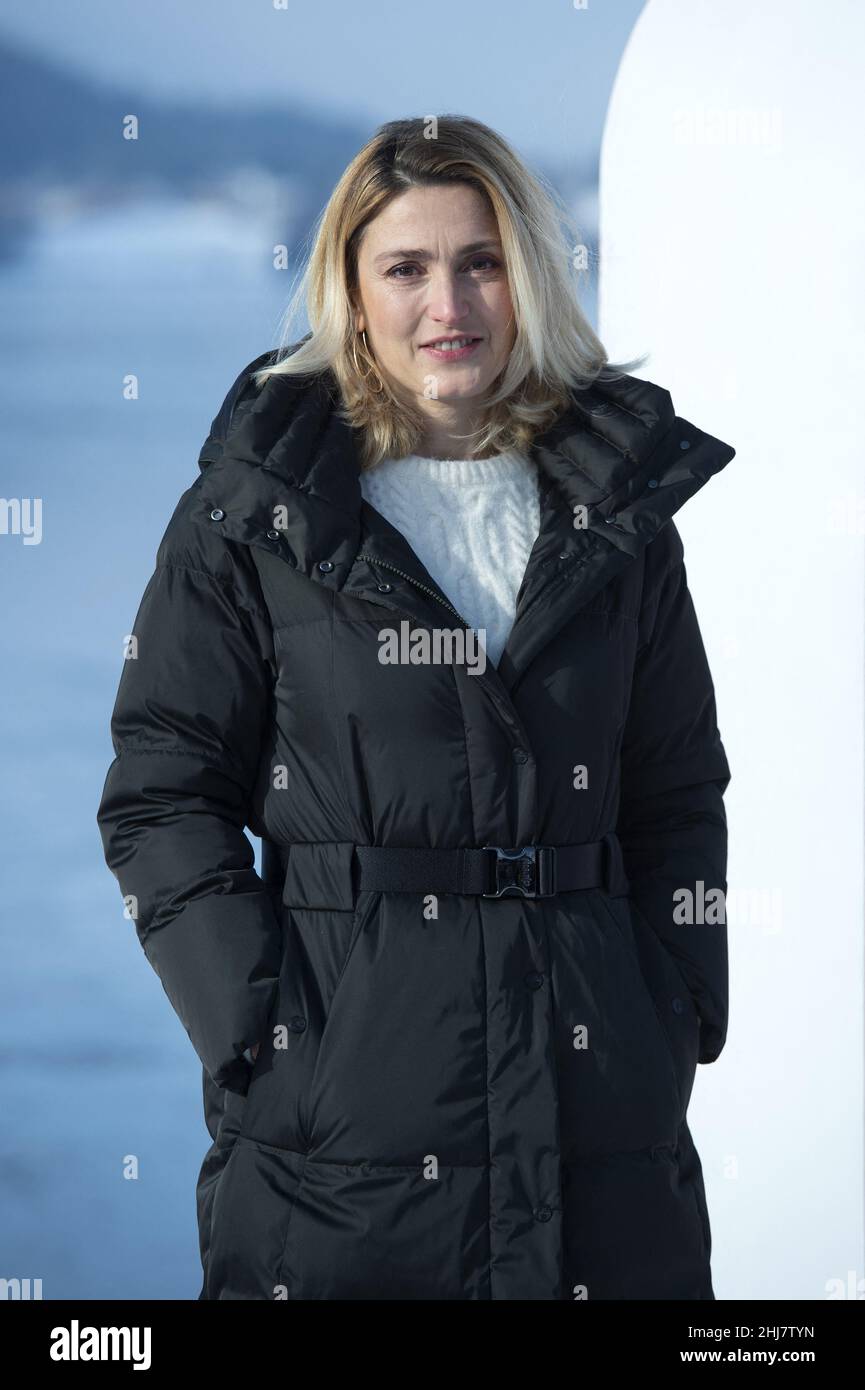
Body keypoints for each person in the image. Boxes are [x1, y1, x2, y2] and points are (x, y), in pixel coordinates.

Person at [96, 114, 735, 1301]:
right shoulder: (256, 514)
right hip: (338, 1137)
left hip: (601, 1119)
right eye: (407, 267)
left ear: (529, 276)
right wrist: (265, 1031)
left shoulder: (619, 515)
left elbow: (675, 787)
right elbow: (160, 793)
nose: (450, 302)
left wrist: (673, 1000)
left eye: (481, 261)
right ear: (350, 287)